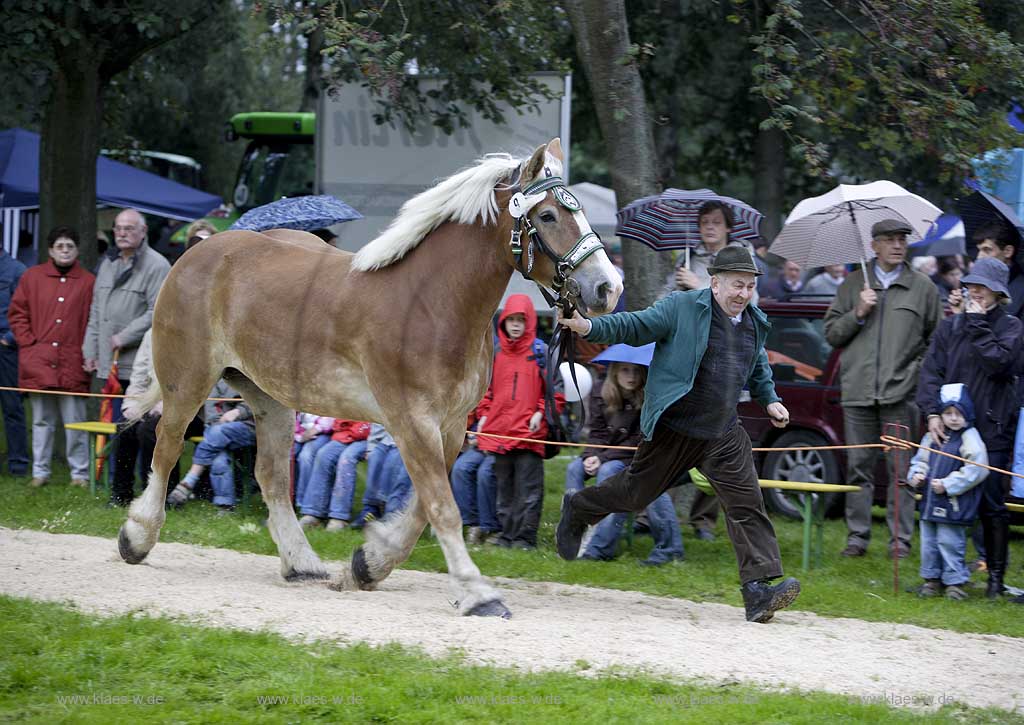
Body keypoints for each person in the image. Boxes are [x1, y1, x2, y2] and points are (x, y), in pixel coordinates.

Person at [555, 246, 800, 623]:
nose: (743, 294)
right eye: (737, 285)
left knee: (747, 502)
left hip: (722, 431)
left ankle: (757, 592)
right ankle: (579, 508)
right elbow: (633, 326)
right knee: (635, 493)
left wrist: (770, 399)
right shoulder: (682, 307)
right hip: (674, 426)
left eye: (750, 287)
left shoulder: (753, 321)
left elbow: (757, 364)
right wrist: (589, 326)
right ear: (715, 283)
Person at [823, 219, 943, 559]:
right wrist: (858, 312)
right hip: (857, 394)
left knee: (901, 472)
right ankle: (857, 537)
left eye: (902, 239)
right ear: (873, 245)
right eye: (889, 239)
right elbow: (831, 334)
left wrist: (915, 374)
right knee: (858, 468)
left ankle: (899, 542)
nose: (897, 245)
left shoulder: (923, 288)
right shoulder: (851, 285)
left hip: (901, 396)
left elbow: (938, 343)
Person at [916, 256, 1023, 599]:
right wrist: (932, 413)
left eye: (981, 287)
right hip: (949, 431)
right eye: (970, 285)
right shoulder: (950, 327)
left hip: (992, 430)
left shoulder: (1011, 327)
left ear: (998, 293)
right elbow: (931, 372)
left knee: (991, 505)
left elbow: (1000, 365)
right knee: (941, 499)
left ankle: (994, 580)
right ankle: (943, 578)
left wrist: (977, 324)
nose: (973, 291)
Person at [82, 208, 170, 502]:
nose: (122, 233)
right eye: (118, 228)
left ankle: (156, 490)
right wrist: (90, 349)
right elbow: (97, 310)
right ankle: (117, 489)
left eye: (129, 228)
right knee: (121, 425)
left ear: (143, 231)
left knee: (149, 427)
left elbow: (156, 313)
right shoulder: (106, 263)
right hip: (110, 361)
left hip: (141, 362)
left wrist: (124, 336)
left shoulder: (157, 265)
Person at [570, 361, 684, 566]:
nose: (631, 376)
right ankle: (575, 528)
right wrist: (590, 454)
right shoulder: (601, 391)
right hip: (610, 454)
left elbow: (639, 440)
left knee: (611, 472)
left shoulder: (651, 394)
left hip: (644, 457)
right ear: (614, 372)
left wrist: (602, 458)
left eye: (636, 371)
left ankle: (602, 547)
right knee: (574, 468)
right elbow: (597, 432)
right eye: (625, 370)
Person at [8, 226, 94, 486]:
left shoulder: (88, 281)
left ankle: (79, 473)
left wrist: (88, 352)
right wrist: (29, 343)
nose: (65, 250)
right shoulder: (32, 277)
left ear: (77, 249)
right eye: (60, 246)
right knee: (42, 421)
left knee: (75, 420)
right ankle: (40, 472)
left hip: (73, 361)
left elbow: (93, 319)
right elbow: (17, 312)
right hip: (39, 361)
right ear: (50, 250)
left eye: (70, 246)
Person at [476, 294, 564, 550]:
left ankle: (525, 538)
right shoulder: (497, 352)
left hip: (529, 432)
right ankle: (506, 535)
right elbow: (486, 390)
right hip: (501, 432)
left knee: (529, 490)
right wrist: (483, 415)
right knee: (505, 489)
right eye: (511, 319)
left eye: (520, 320)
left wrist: (540, 413)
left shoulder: (540, 352)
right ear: (503, 321)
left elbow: (555, 392)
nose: (515, 324)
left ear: (530, 322)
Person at [907, 384, 988, 601]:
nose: (953, 418)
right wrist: (917, 475)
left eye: (958, 413)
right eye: (948, 413)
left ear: (967, 414)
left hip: (953, 503)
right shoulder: (933, 435)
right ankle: (931, 579)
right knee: (929, 543)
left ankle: (955, 582)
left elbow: (977, 468)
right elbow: (921, 460)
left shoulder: (969, 437)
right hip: (929, 502)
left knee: (950, 542)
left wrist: (949, 484)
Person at [117, 329, 204, 502]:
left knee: (150, 431)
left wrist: (169, 406)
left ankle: (159, 495)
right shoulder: (152, 334)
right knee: (125, 426)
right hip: (152, 406)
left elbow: (198, 381)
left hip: (192, 412)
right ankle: (120, 495)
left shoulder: (197, 333)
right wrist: (132, 406)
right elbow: (139, 374)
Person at [165, 379, 255, 513]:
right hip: (217, 427)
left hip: (249, 427)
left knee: (217, 433)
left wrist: (238, 412)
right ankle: (225, 506)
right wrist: (221, 421)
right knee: (218, 459)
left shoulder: (252, 372)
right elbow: (212, 413)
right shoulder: (216, 377)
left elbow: (260, 401)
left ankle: (190, 479)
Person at [663, 201, 759, 301]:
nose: (709, 227)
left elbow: (743, 297)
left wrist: (698, 285)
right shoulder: (687, 258)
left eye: (716, 222)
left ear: (728, 227)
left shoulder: (742, 259)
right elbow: (666, 293)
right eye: (704, 222)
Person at [297, 418, 371, 531]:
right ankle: (313, 513)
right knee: (323, 455)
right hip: (345, 434)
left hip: (368, 438)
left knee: (346, 459)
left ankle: (339, 516)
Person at [0, 236, 28, 477]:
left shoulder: (17, 270)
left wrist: (9, 337)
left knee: (12, 407)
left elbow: (25, 309)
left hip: (6, 347)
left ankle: (18, 463)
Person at [451, 422, 499, 545]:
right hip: (483, 437)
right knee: (460, 469)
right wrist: (474, 432)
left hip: (501, 441)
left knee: (485, 473)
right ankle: (474, 523)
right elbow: (483, 411)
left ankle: (490, 526)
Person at [971, 223, 1024, 320]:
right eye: (978, 250)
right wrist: (959, 314)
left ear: (1008, 251)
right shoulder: (974, 283)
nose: (979, 256)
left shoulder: (1020, 289)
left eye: (987, 250)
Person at [292, 412, 336, 506]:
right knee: (289, 454)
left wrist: (315, 429)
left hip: (323, 432)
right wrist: (299, 436)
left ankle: (303, 500)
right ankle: (289, 495)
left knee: (305, 456)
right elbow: (293, 418)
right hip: (300, 433)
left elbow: (331, 420)